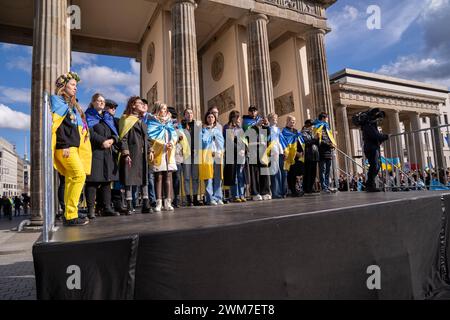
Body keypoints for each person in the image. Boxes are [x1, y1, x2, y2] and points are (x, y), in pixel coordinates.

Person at [51, 71, 92, 226]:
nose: (76, 88)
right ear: (64, 86)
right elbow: (58, 126)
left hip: (72, 147)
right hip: (66, 147)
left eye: (76, 85)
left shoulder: (70, 105)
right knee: (79, 176)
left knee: (71, 179)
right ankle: (70, 214)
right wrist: (64, 144)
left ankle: (70, 214)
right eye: (73, 85)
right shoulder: (58, 102)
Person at [84, 93, 120, 218]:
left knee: (106, 181)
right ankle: (90, 210)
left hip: (108, 153)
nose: (101, 103)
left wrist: (112, 140)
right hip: (94, 152)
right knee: (92, 182)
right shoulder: (88, 116)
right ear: (93, 102)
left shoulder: (107, 118)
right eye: (99, 100)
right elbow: (89, 133)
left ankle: (107, 207)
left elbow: (115, 132)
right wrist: (102, 141)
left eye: (103, 101)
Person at [119, 96, 151, 215]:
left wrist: (150, 150)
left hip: (142, 154)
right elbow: (123, 138)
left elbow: (146, 139)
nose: (142, 105)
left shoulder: (142, 121)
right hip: (132, 153)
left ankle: (146, 204)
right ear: (133, 105)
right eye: (139, 103)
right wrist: (126, 153)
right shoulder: (126, 119)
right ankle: (129, 205)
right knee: (129, 179)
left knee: (144, 178)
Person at [147, 102, 179, 212]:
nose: (164, 111)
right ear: (157, 110)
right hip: (158, 151)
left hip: (169, 151)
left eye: (165, 109)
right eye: (162, 109)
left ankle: (168, 202)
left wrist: (172, 142)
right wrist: (162, 144)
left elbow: (174, 134)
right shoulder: (152, 122)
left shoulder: (169, 122)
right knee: (158, 177)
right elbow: (151, 136)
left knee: (168, 176)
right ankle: (158, 203)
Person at [243, 106, 271, 201]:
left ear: (257, 111)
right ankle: (255, 192)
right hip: (253, 147)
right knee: (254, 172)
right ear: (248, 112)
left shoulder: (260, 120)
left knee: (264, 170)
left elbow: (267, 134)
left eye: (255, 110)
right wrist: (256, 125)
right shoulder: (246, 121)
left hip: (262, 147)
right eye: (251, 111)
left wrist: (267, 125)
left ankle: (265, 191)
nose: (253, 112)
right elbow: (247, 133)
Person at [361, 108, 389, 192]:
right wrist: (385, 136)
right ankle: (370, 184)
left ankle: (370, 184)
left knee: (376, 166)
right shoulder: (368, 125)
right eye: (377, 118)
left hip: (373, 147)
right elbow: (375, 135)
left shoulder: (371, 124)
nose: (378, 120)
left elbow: (376, 136)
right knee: (375, 166)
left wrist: (382, 137)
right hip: (371, 147)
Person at [200, 111, 225, 205]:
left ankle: (218, 197)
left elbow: (221, 142)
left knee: (218, 177)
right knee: (208, 177)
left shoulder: (217, 130)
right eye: (209, 117)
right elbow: (202, 142)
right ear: (206, 119)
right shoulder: (203, 130)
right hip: (207, 155)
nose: (211, 119)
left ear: (215, 119)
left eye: (212, 117)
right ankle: (210, 198)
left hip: (217, 155)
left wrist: (219, 152)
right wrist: (209, 134)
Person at [223, 110, 249, 202]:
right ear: (233, 118)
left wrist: (244, 150)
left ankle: (242, 194)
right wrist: (239, 150)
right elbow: (229, 142)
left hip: (241, 155)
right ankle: (235, 195)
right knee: (234, 176)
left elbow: (244, 141)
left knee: (240, 175)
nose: (239, 119)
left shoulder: (240, 128)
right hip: (231, 155)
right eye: (238, 117)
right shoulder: (227, 127)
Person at [181, 108, 202, 206]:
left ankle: (195, 198)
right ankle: (189, 199)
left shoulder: (198, 126)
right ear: (184, 115)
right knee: (186, 178)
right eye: (187, 113)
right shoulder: (181, 126)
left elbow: (200, 139)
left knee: (195, 177)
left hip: (196, 154)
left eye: (191, 113)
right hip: (185, 155)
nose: (189, 115)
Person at [281, 116, 304, 197]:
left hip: (297, 155)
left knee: (297, 173)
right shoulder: (284, 131)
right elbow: (284, 143)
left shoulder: (296, 131)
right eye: (291, 121)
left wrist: (301, 152)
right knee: (290, 174)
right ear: (287, 121)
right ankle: (292, 190)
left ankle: (297, 189)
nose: (293, 123)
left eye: (294, 121)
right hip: (289, 155)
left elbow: (299, 142)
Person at [313, 113, 336, 194]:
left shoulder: (327, 127)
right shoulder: (317, 127)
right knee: (322, 169)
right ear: (323, 118)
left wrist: (332, 144)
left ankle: (327, 185)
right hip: (321, 151)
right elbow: (318, 140)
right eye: (327, 118)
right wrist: (328, 144)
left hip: (328, 151)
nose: (327, 119)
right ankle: (323, 187)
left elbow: (330, 138)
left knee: (328, 170)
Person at [267, 113, 285, 199]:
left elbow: (281, 140)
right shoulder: (268, 129)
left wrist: (284, 149)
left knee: (280, 172)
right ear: (269, 119)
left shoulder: (278, 129)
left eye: (276, 118)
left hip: (279, 151)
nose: (275, 120)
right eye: (273, 118)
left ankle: (281, 191)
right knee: (274, 172)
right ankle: (275, 192)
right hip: (272, 151)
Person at [301, 119, 320, 195]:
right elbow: (307, 142)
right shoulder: (303, 133)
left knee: (313, 173)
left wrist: (318, 138)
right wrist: (315, 139)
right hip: (308, 155)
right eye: (312, 125)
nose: (313, 127)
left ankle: (311, 187)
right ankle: (306, 188)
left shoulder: (312, 133)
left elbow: (316, 144)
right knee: (308, 173)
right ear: (308, 125)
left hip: (314, 155)